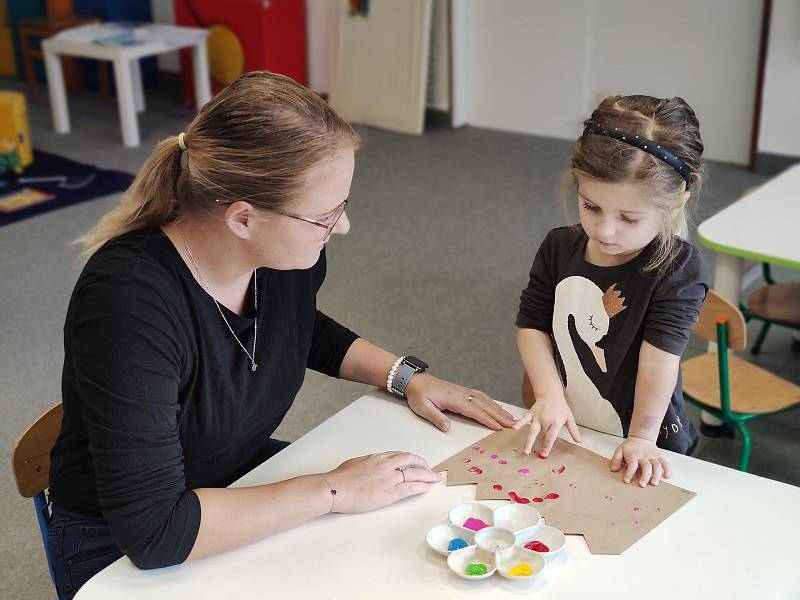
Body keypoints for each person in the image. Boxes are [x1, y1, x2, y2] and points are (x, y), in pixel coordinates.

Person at [46, 71, 514, 600]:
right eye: (324, 215)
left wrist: (404, 376)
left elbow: (293, 328)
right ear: (243, 219)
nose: (342, 228)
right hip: (121, 543)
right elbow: (155, 533)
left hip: (230, 477)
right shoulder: (128, 303)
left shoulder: (282, 256)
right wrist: (333, 490)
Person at [513, 95, 708, 488]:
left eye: (629, 218)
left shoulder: (677, 270)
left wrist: (640, 438)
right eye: (591, 206)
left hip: (645, 436)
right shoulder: (558, 246)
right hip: (570, 422)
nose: (604, 231)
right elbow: (532, 324)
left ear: (674, 205)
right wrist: (549, 395)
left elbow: (659, 362)